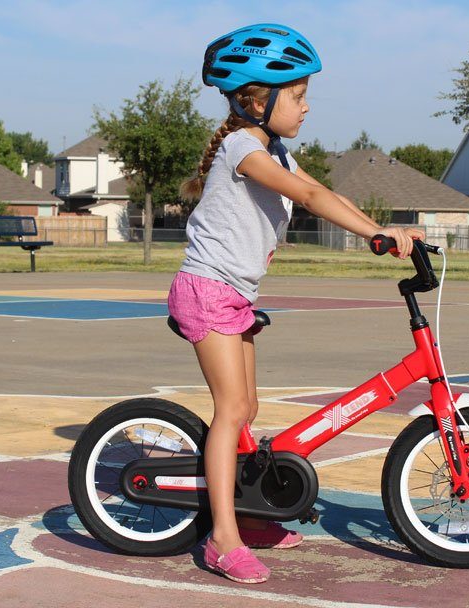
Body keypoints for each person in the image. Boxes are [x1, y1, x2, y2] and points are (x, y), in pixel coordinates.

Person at [170, 23, 423, 584]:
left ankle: (250, 513)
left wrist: (382, 230)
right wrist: (370, 236)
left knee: (248, 411)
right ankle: (223, 538)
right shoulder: (243, 148)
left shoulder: (274, 148)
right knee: (231, 411)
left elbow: (327, 192)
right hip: (207, 290)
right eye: (299, 95)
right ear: (256, 100)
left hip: (233, 294)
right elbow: (307, 196)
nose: (307, 107)